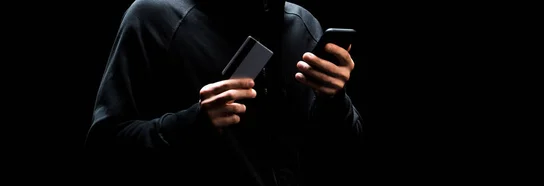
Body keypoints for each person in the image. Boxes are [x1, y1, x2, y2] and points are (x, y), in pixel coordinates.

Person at [85, 0, 364, 185]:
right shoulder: (152, 18)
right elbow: (104, 151)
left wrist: (335, 101)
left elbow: (342, 157)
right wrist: (193, 124)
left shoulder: (303, 25)